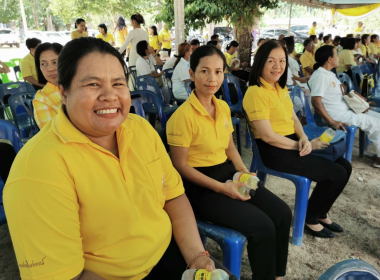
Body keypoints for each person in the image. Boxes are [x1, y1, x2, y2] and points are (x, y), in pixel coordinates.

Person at [4, 37, 230, 280]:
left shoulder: (140, 129)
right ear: (64, 92)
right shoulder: (38, 171)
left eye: (118, 83)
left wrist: (197, 256)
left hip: (170, 253)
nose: (110, 96)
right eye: (93, 84)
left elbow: (174, 196)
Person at [168, 45, 292, 280]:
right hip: (199, 186)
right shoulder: (182, 117)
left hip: (227, 172)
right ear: (192, 74)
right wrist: (222, 188)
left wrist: (244, 171)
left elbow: (229, 146)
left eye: (218, 72)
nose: (212, 78)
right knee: (262, 226)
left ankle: (275, 274)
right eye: (204, 71)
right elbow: (180, 166)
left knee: (282, 212)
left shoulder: (222, 107)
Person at [243, 40, 352, 241]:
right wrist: (302, 144)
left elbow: (294, 118)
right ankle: (310, 218)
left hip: (291, 142)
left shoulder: (279, 87)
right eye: (271, 61)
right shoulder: (256, 92)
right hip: (273, 151)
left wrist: (303, 137)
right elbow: (267, 136)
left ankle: (320, 212)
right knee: (335, 173)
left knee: (345, 166)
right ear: (260, 62)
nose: (278, 66)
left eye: (282, 61)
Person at [310, 45, 380, 168]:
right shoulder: (320, 76)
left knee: (377, 118)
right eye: (336, 55)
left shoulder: (329, 73)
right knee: (376, 124)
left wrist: (359, 106)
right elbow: (316, 102)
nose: (338, 57)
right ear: (329, 59)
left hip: (346, 110)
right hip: (337, 115)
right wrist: (332, 121)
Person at [32, 42, 63, 129]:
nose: (50, 69)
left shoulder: (81, 87)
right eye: (44, 64)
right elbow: (53, 135)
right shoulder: (41, 99)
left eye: (55, 62)